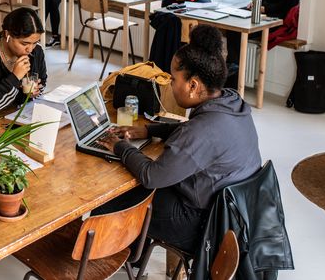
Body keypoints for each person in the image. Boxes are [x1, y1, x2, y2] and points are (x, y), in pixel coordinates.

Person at [97, 25, 261, 255]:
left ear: (193, 85)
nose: (170, 84)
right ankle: (134, 253)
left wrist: (119, 146)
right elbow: (190, 131)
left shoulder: (202, 131)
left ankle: (106, 256)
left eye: (173, 79)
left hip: (204, 225)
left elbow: (152, 175)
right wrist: (149, 130)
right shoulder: (231, 102)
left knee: (120, 197)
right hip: (233, 211)